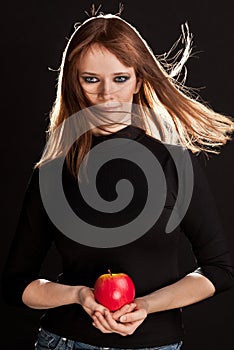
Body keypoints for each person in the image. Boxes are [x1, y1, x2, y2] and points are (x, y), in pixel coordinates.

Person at [2, 5, 234, 350]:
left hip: (156, 344)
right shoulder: (54, 171)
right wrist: (79, 295)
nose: (106, 95)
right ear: (74, 83)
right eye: (91, 79)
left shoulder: (173, 162)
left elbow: (219, 269)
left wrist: (147, 306)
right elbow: (16, 285)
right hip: (66, 342)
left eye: (120, 78)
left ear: (138, 81)